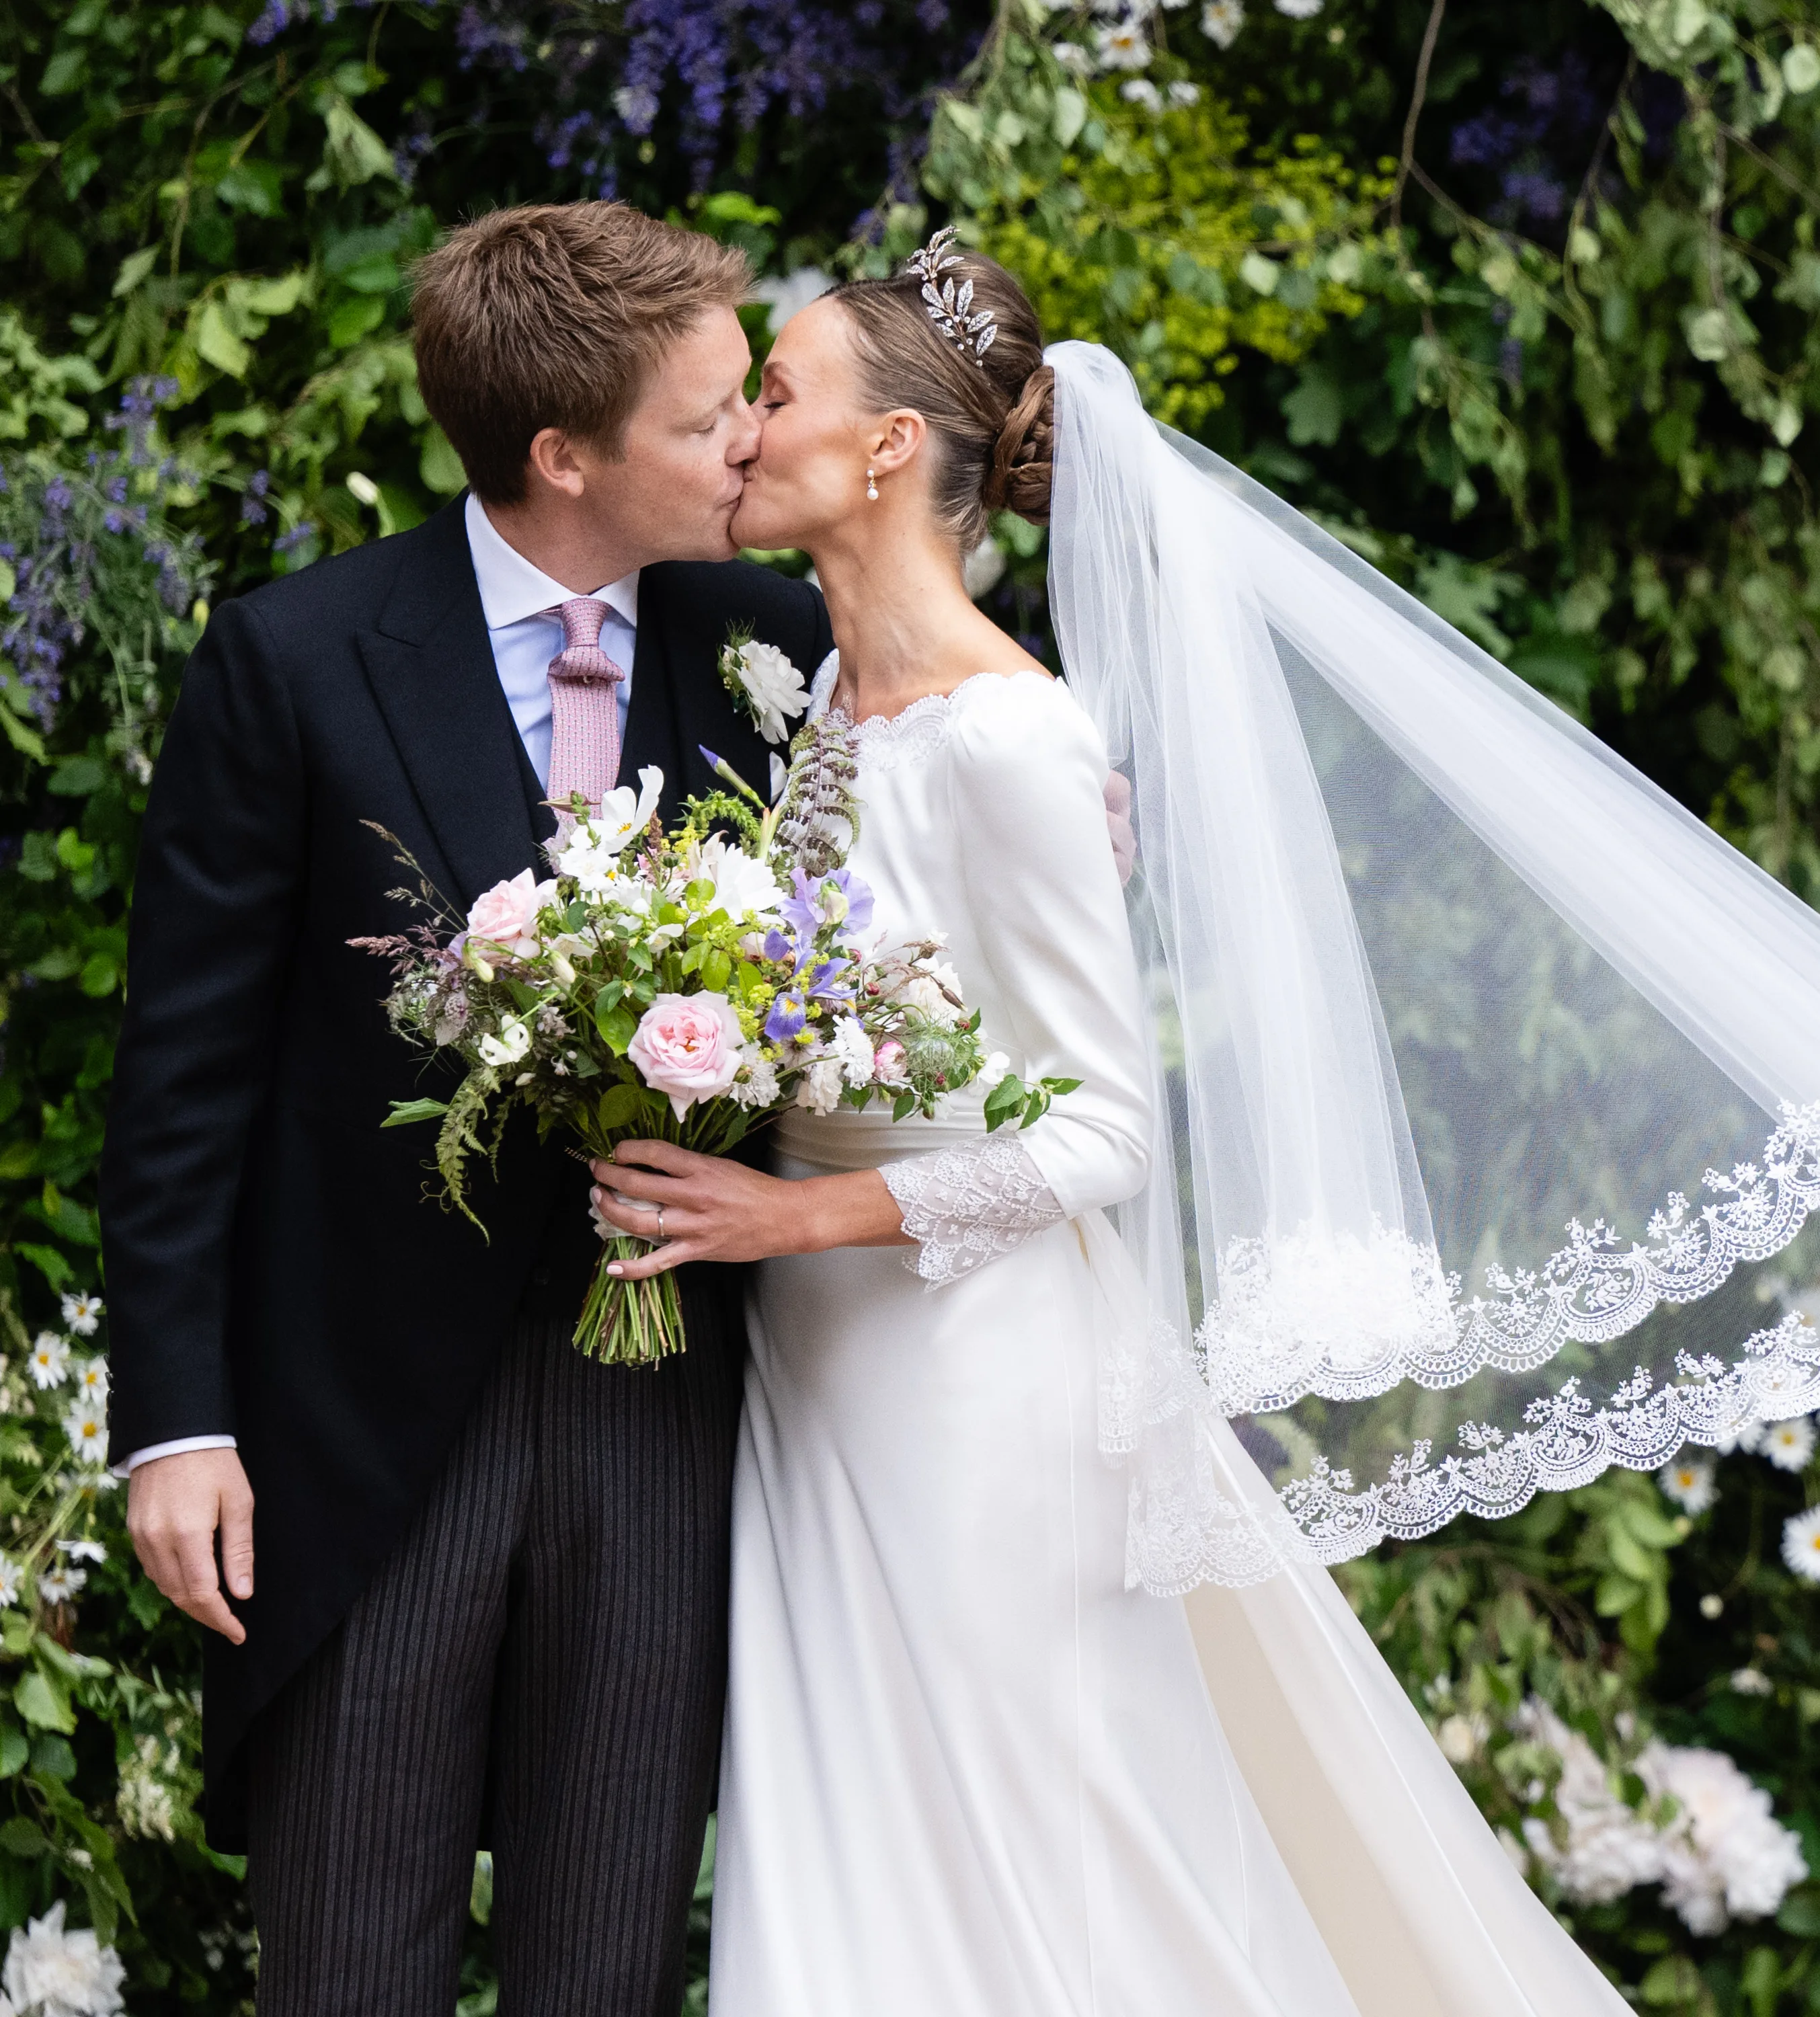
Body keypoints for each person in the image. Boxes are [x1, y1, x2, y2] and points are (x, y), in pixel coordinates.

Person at [583, 236, 1742, 2012]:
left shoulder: (1013, 741)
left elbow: (1106, 1136)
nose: (741, 431)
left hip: (981, 1389)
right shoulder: (819, 702)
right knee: (857, 1858)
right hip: (819, 1377)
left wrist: (778, 1219)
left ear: (892, 449)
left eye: (780, 393)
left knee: (1036, 1849)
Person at [99, 202, 832, 2016]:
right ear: (560, 456)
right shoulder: (298, 658)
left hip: (662, 1408)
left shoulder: (775, 647)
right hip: (360, 1431)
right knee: (349, 1965)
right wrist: (174, 1426)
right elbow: (183, 1081)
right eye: (703, 417)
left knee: (605, 1971)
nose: (749, 439)